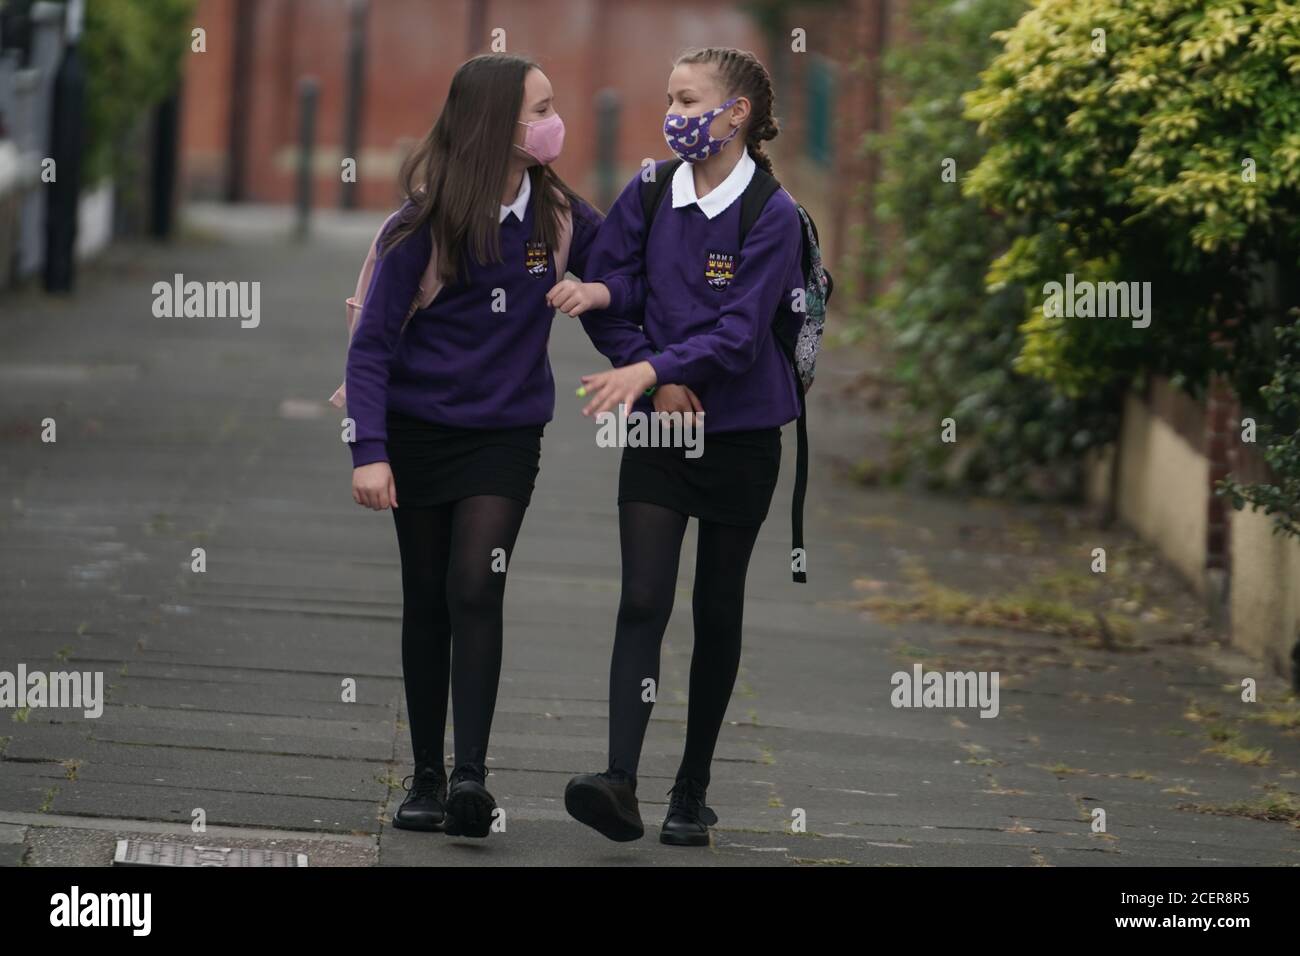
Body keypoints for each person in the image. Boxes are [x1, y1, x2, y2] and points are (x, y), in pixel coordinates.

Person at [549, 47, 804, 846]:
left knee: (716, 607)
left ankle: (691, 792)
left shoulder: (775, 213)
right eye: (670, 98)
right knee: (643, 598)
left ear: (737, 115)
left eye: (689, 99)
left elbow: (738, 337)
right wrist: (650, 377)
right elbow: (608, 288)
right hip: (660, 424)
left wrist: (657, 365)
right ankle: (619, 780)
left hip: (742, 437)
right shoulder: (652, 188)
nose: (674, 114)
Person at [345, 53, 602, 839]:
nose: (556, 121)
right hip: (419, 437)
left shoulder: (559, 217)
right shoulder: (422, 227)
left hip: (505, 436)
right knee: (426, 598)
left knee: (475, 585)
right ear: (499, 125)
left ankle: (469, 780)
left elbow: (629, 265)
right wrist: (370, 451)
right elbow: (370, 347)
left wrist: (606, 294)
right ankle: (423, 778)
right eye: (542, 108)